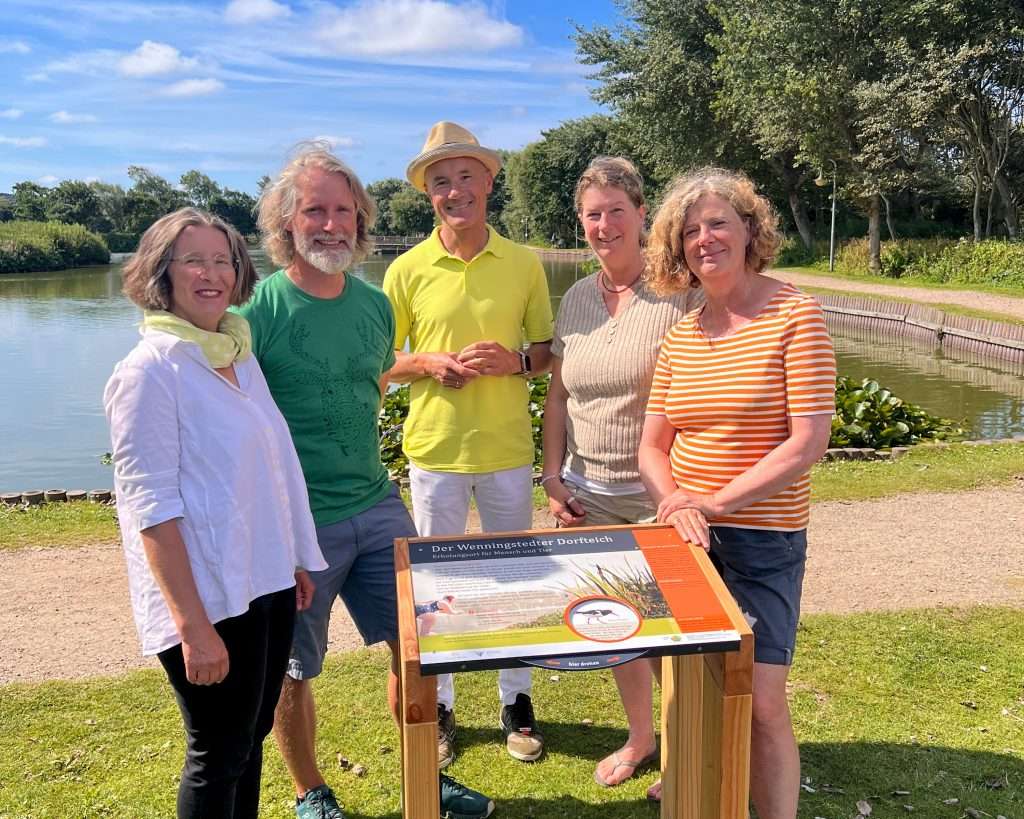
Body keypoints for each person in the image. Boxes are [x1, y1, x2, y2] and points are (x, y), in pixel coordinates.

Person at [239, 145, 493, 819]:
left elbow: (373, 372)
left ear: (361, 219)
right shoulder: (259, 308)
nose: (332, 224)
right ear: (286, 221)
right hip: (300, 524)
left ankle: (424, 778)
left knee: (415, 647)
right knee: (296, 670)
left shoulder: (375, 305)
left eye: (344, 210)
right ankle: (309, 792)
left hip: (378, 502)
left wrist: (428, 362)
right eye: (315, 210)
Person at [104, 208, 327, 819]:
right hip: (209, 597)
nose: (211, 273)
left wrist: (296, 560)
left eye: (222, 260)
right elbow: (150, 511)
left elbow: (273, 471)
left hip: (266, 582)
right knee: (217, 751)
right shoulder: (149, 372)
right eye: (193, 260)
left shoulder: (237, 353)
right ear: (161, 273)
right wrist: (192, 627)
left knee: (248, 740)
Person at [638, 167, 836, 816]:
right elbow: (652, 446)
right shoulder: (681, 333)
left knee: (763, 701)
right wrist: (676, 502)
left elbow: (806, 443)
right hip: (685, 536)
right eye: (690, 231)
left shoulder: (794, 314)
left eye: (718, 222)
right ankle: (693, 773)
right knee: (688, 679)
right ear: (678, 250)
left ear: (750, 229)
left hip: (763, 537)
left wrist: (713, 502)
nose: (705, 239)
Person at [383, 121, 554, 769]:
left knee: (514, 581)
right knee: (439, 588)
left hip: (509, 452)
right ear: (429, 194)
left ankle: (516, 701)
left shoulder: (525, 263)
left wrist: (513, 360)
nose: (454, 191)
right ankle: (445, 704)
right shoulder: (405, 270)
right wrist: (425, 363)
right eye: (440, 181)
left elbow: (543, 353)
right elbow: (382, 361)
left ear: (488, 180)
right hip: (434, 454)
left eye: (465, 176)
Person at [539, 156, 703, 788]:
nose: (604, 225)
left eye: (615, 211)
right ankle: (641, 738)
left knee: (672, 634)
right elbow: (559, 397)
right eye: (592, 215)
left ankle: (686, 746)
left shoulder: (680, 293)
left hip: (658, 494)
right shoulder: (578, 297)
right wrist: (553, 477)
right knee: (616, 627)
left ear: (641, 214)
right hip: (587, 490)